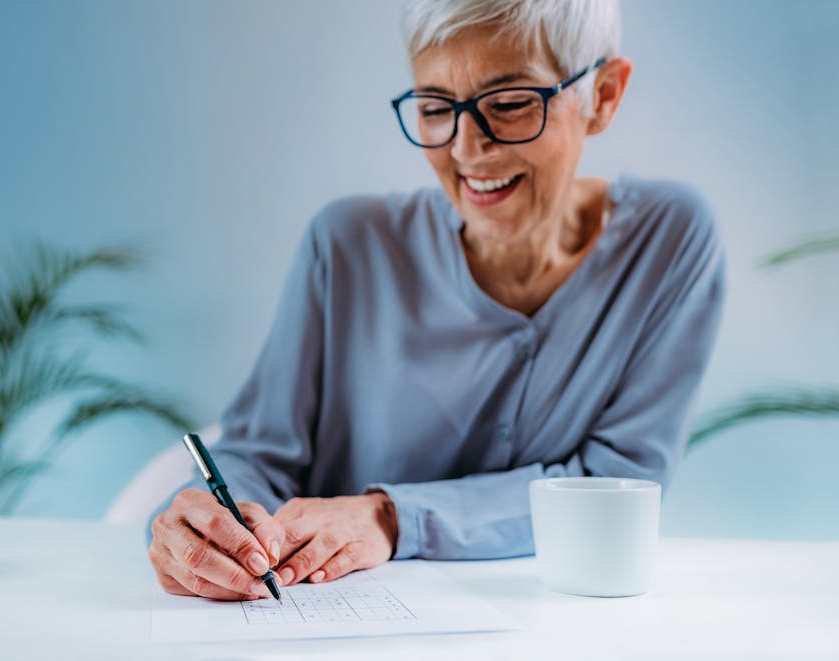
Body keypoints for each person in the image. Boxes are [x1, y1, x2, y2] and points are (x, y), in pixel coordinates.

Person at [147, 0, 725, 601]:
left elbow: (618, 484)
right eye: (435, 108)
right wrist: (210, 527)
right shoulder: (346, 246)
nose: (468, 149)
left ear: (602, 95)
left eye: (508, 104)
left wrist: (390, 516)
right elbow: (256, 456)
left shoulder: (670, 239)